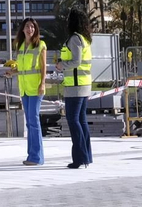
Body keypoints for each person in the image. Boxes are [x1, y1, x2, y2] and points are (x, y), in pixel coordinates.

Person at [8, 19, 47, 166]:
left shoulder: (40, 45)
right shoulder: (20, 46)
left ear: (35, 29)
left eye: (32, 27)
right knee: (30, 123)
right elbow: (23, 68)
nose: (30, 29)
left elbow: (43, 67)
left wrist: (42, 84)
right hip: (24, 88)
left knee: (34, 121)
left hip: (36, 88)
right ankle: (32, 155)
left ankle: (36, 157)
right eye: (27, 26)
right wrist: (12, 72)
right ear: (23, 30)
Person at [57, 10, 93, 169]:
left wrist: (61, 65)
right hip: (83, 84)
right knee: (81, 120)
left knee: (73, 120)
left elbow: (76, 62)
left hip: (75, 86)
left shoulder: (75, 39)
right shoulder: (85, 39)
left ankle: (80, 157)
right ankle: (86, 156)